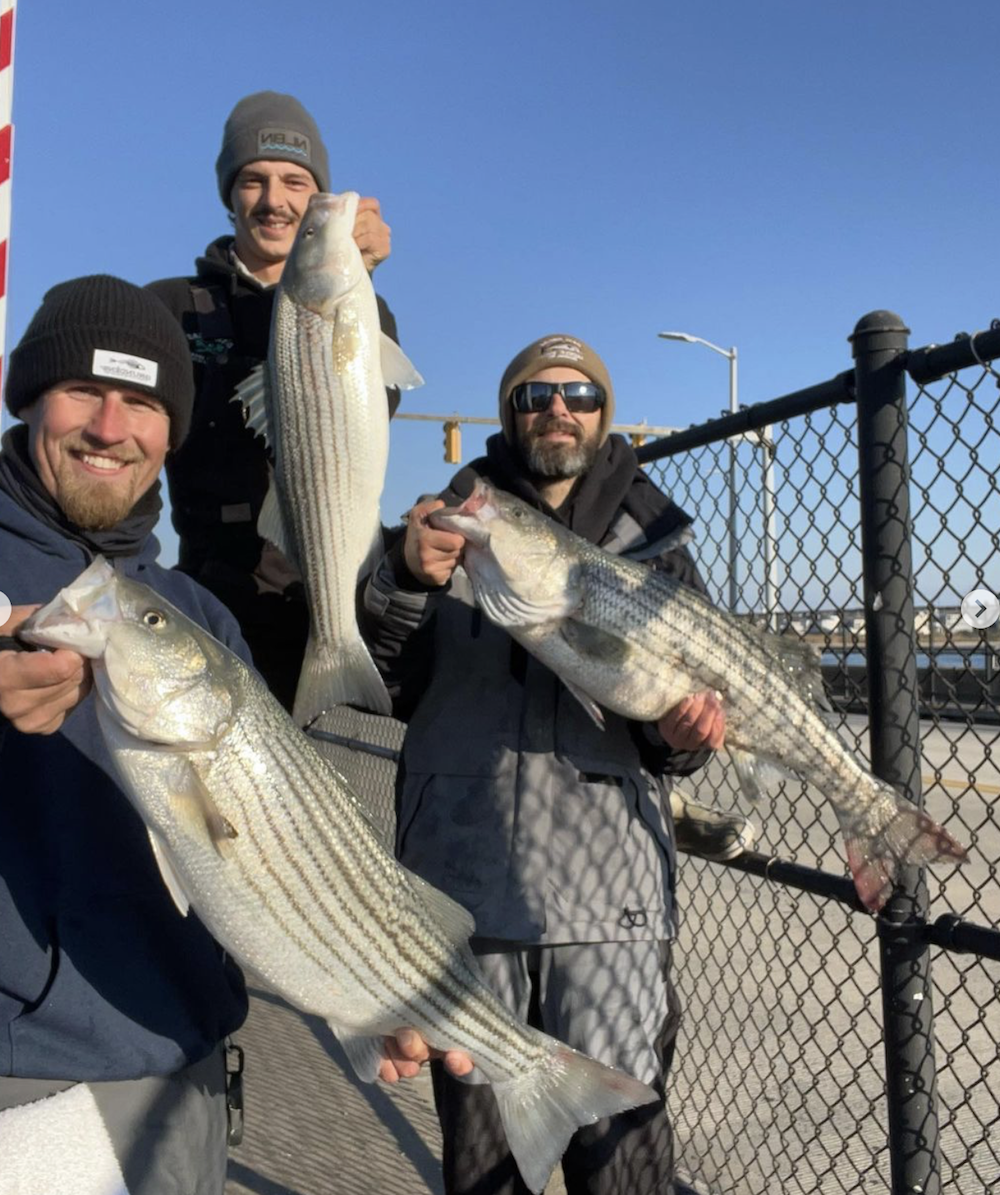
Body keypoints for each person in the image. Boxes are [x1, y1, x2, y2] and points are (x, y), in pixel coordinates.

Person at [0, 275, 467, 1195]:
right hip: (31, 1074)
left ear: (172, 430)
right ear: (27, 397)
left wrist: (374, 979)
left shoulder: (193, 611)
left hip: (192, 1063)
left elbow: (270, 847)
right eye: (83, 391)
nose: (110, 427)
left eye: (142, 402)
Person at [361, 333, 747, 1194]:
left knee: (624, 1157)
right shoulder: (448, 523)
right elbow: (383, 679)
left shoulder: (660, 549)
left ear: (604, 415)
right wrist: (400, 578)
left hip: (610, 900)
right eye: (535, 396)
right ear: (510, 415)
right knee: (485, 1160)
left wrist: (682, 738)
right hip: (465, 893)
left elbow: (672, 739)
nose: (558, 409)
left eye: (578, 393)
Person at [147, 90, 400, 711]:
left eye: (296, 182)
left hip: (324, 586)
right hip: (208, 592)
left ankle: (336, 657)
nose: (275, 200)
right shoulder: (168, 304)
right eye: (253, 180)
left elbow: (376, 406)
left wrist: (358, 281)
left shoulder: (366, 308)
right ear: (229, 195)